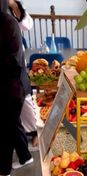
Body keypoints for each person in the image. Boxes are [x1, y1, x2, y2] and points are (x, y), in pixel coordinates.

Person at [0, 0, 33, 176]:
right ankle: (26, 156)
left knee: (6, 127)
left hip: (13, 85)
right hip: (9, 84)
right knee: (13, 124)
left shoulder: (8, 22)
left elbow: (13, 60)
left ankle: (4, 170)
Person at [8, 0, 38, 148]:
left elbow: (27, 24)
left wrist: (13, 4)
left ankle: (35, 132)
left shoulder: (10, 7)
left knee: (25, 100)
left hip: (16, 63)